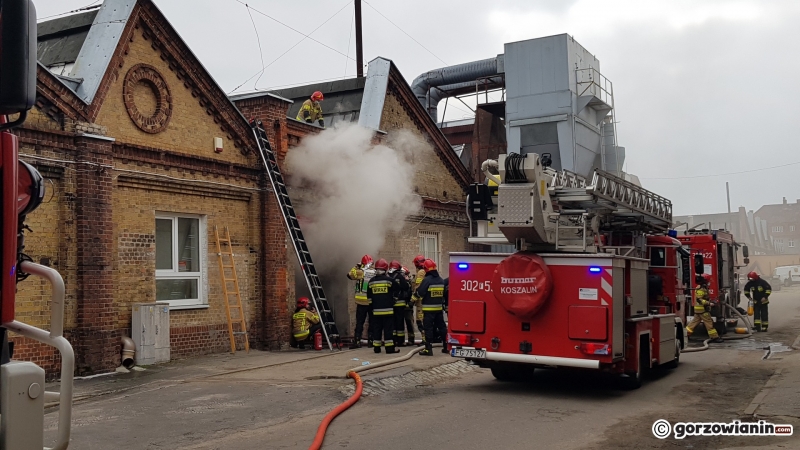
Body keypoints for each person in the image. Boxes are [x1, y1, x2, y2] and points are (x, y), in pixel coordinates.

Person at [413, 259, 448, 356]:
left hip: (428, 310)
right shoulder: (441, 280)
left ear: (426, 269)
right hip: (438, 309)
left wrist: (412, 300)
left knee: (428, 328)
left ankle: (428, 349)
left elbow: (420, 293)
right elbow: (444, 294)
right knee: (442, 327)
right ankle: (446, 347)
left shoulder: (427, 280)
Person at [367, 259, 398, 354]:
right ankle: (389, 349)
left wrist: (372, 307)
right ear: (385, 269)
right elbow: (397, 290)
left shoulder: (371, 282)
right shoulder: (390, 281)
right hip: (388, 311)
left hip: (376, 312)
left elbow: (369, 297)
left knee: (377, 329)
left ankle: (377, 348)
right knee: (388, 330)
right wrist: (394, 300)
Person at [686, 274, 724, 343]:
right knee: (709, 323)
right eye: (708, 281)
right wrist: (709, 303)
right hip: (702, 310)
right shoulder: (701, 289)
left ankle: (685, 335)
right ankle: (714, 337)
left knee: (693, 324)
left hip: (699, 310)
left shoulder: (701, 288)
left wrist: (711, 301)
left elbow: (703, 298)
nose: (708, 282)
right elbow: (699, 299)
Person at [347, 254, 375, 349]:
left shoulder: (360, 272)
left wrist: (357, 266)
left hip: (361, 302)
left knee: (360, 322)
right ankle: (371, 341)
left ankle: (357, 341)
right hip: (372, 302)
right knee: (372, 322)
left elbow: (350, 274)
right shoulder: (374, 272)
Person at [388, 260, 411, 347]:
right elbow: (405, 287)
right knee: (400, 323)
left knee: (392, 323)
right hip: (400, 303)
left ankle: (393, 341)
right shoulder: (400, 276)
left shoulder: (387, 276)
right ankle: (401, 342)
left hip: (390, 304)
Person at [411, 254, 427, 346]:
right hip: (422, 301)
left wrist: (412, 299)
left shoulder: (421, 272)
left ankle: (424, 340)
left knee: (420, 321)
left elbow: (418, 287)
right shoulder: (424, 271)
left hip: (420, 301)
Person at [401, 266, 417, 346]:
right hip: (401, 306)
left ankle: (411, 340)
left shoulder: (410, 282)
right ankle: (401, 340)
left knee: (409, 323)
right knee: (400, 324)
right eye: (405, 274)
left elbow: (412, 292)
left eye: (407, 274)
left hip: (408, 307)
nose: (407, 276)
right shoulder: (400, 282)